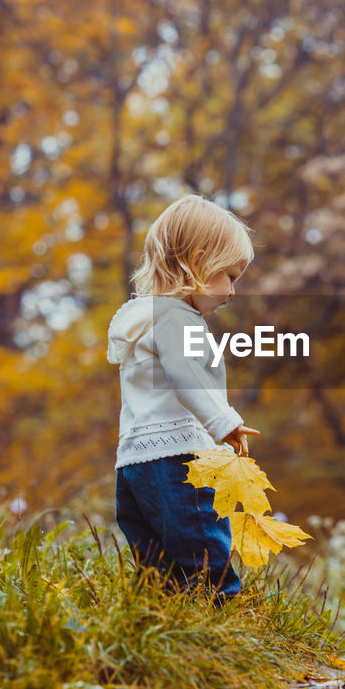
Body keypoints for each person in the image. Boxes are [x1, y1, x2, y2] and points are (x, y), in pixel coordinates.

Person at [106, 194, 260, 601]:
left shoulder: (145, 318)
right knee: (204, 555)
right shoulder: (177, 318)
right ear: (198, 260)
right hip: (181, 460)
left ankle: (159, 628)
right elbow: (185, 375)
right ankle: (222, 631)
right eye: (229, 276)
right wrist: (223, 422)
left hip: (135, 465)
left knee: (155, 565)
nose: (232, 292)